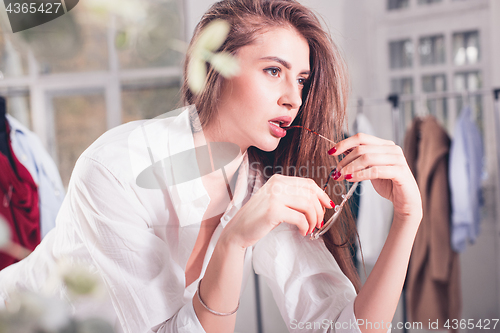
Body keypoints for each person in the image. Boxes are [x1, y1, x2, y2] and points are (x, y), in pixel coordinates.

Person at [0, 0, 423, 332]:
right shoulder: (115, 168)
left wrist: (407, 218)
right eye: (273, 70)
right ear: (213, 69)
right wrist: (232, 243)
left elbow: (342, 328)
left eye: (301, 79)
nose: (293, 98)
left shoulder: (260, 186)